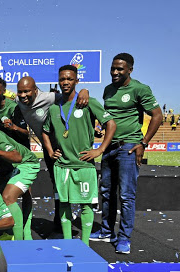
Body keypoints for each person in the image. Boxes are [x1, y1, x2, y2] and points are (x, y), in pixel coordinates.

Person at [90, 53, 162, 254]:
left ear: (130, 69)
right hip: (109, 146)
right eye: (112, 68)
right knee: (106, 191)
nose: (114, 72)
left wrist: (143, 143)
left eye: (119, 69)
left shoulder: (139, 89)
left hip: (128, 147)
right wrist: (100, 128)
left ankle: (124, 238)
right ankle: (106, 231)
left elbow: (157, 115)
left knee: (126, 195)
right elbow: (109, 117)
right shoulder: (107, 90)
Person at [42, 65, 116, 245]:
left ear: (76, 80)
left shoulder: (87, 101)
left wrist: (99, 150)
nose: (65, 82)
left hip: (84, 165)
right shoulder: (54, 109)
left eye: (69, 79)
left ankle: (85, 244)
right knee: (64, 205)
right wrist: (51, 151)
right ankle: (68, 242)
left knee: (86, 205)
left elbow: (111, 124)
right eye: (62, 79)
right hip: (62, 165)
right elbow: (45, 131)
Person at [16, 76, 90, 233]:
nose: (23, 96)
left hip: (66, 146)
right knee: (57, 183)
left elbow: (69, 95)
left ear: (35, 90)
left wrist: (84, 91)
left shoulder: (49, 97)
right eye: (20, 92)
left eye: (27, 91)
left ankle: (82, 219)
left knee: (74, 181)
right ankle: (60, 220)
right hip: (49, 147)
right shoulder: (18, 101)